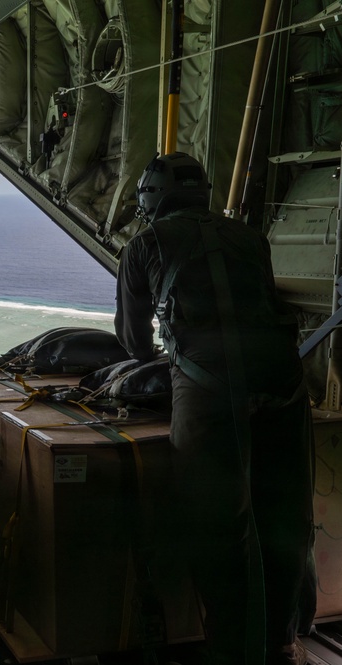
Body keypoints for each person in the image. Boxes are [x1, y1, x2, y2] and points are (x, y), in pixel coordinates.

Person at [114, 153, 314, 665]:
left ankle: (231, 652)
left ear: (149, 197)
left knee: (217, 525)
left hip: (208, 386)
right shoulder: (251, 237)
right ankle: (283, 643)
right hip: (285, 382)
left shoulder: (144, 244)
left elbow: (135, 343)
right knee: (283, 517)